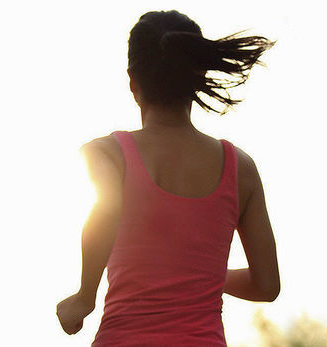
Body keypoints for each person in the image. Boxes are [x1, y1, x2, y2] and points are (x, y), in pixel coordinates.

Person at [56, 9, 280, 346]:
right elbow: (266, 286)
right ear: (199, 75)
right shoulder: (240, 168)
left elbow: (106, 209)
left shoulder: (106, 153)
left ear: (133, 81)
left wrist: (85, 295)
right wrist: (197, 278)